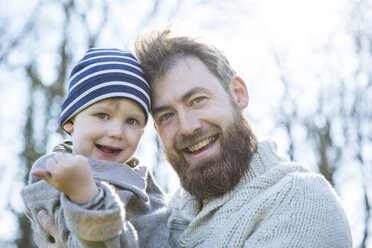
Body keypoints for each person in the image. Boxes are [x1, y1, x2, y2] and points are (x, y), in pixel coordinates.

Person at [36, 29, 353, 248]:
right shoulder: (162, 214)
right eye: (166, 115)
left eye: (197, 99)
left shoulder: (299, 201)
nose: (186, 127)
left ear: (238, 94)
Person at [21, 48, 170, 248]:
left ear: (142, 132)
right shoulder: (54, 173)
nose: (117, 132)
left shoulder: (149, 190)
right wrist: (86, 198)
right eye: (102, 115)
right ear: (70, 121)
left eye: (132, 120)